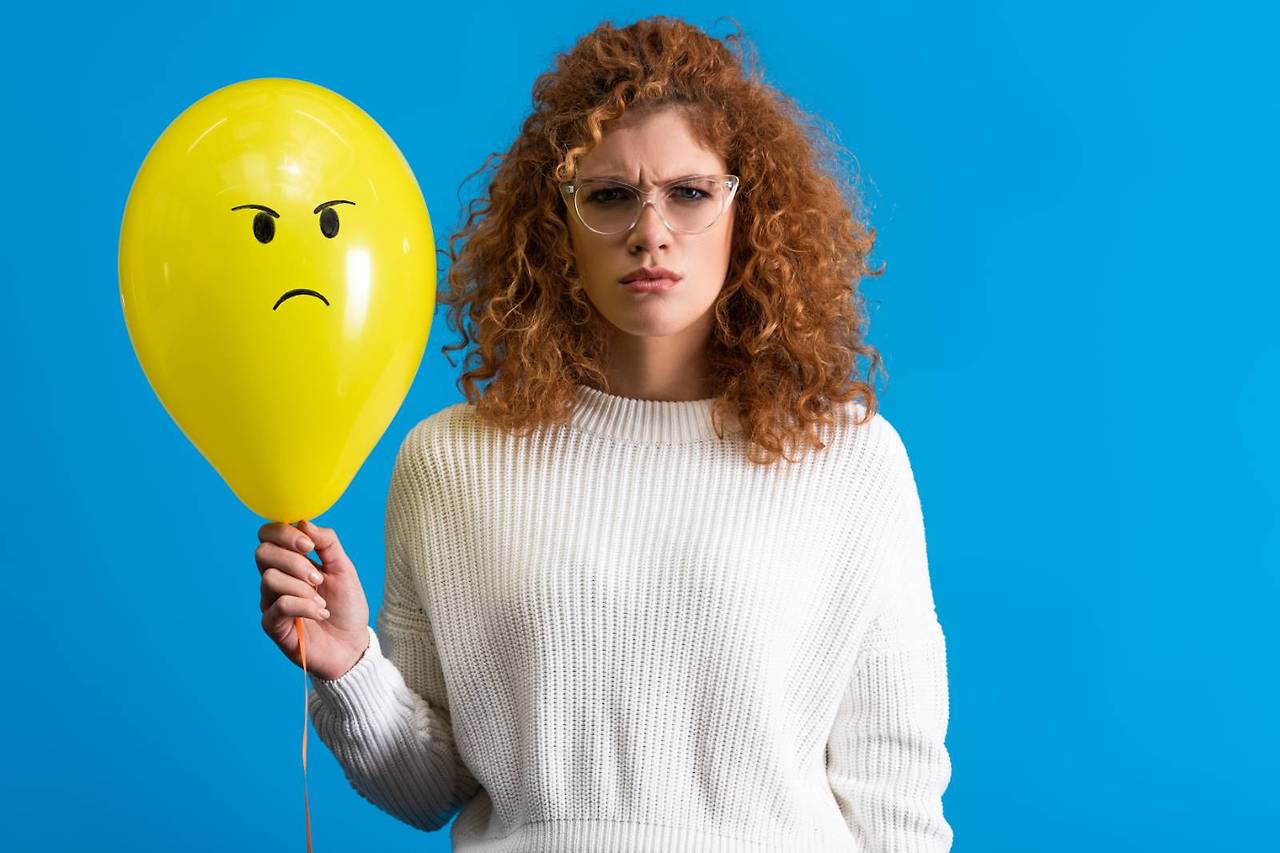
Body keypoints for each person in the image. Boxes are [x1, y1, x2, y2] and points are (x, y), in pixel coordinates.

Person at [256, 15, 953, 852]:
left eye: (690, 193)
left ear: (747, 209)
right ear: (558, 221)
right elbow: (432, 785)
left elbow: (897, 806)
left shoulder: (850, 460)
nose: (649, 231)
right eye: (611, 194)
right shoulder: (450, 461)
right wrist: (350, 667)